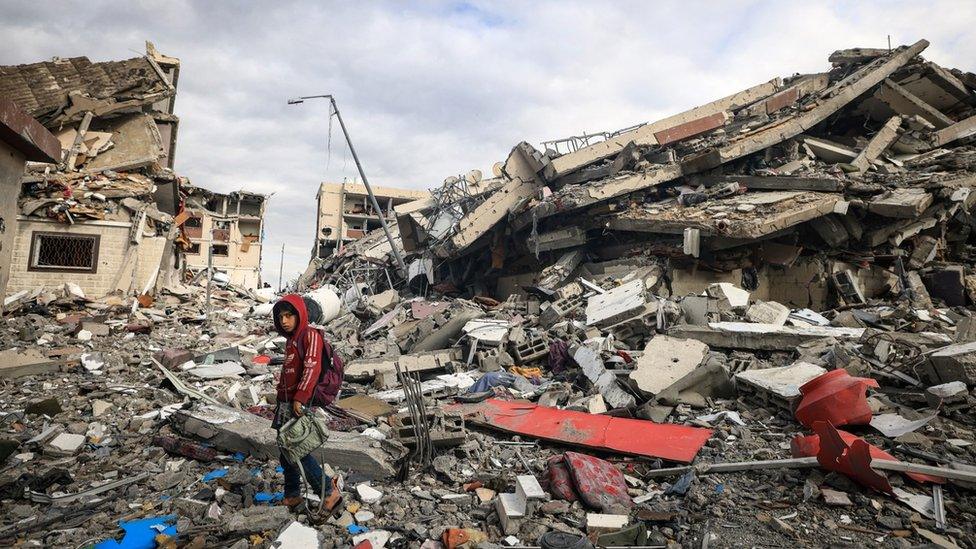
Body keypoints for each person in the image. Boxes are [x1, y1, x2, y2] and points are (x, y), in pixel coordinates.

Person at [271, 294, 342, 511]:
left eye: (289, 315)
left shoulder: (310, 335)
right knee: (286, 450)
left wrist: (300, 398)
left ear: (300, 314)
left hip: (297, 403)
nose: (284, 321)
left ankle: (328, 491)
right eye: (280, 316)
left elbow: (312, 368)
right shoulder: (292, 340)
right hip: (286, 402)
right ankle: (292, 494)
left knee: (296, 450)